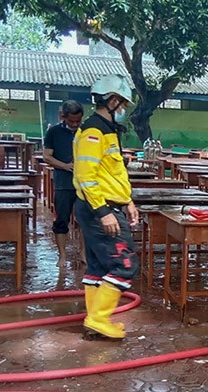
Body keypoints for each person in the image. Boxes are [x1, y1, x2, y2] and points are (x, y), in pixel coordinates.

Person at [73, 74, 139, 340]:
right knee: (125, 265)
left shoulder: (108, 130)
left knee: (99, 267)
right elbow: (85, 176)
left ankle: (95, 322)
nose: (124, 109)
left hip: (107, 205)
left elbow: (113, 173)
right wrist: (104, 212)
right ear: (112, 101)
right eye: (123, 103)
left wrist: (127, 201)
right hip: (99, 209)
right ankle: (98, 319)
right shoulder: (94, 131)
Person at [43, 100, 85, 267]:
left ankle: (84, 253)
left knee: (84, 220)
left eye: (78, 121)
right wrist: (65, 166)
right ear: (63, 116)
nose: (75, 124)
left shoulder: (86, 131)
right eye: (71, 121)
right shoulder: (54, 132)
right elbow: (47, 156)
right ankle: (62, 256)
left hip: (84, 183)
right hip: (63, 183)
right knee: (62, 220)